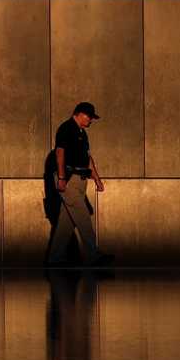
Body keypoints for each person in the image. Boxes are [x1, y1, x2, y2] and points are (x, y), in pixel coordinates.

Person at [46, 102, 113, 267]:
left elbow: (88, 158)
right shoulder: (66, 128)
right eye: (90, 117)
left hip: (80, 180)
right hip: (69, 179)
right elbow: (60, 153)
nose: (91, 121)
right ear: (81, 114)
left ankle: (54, 258)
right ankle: (93, 255)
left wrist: (96, 179)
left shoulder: (83, 133)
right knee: (83, 217)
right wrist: (61, 178)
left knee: (66, 223)